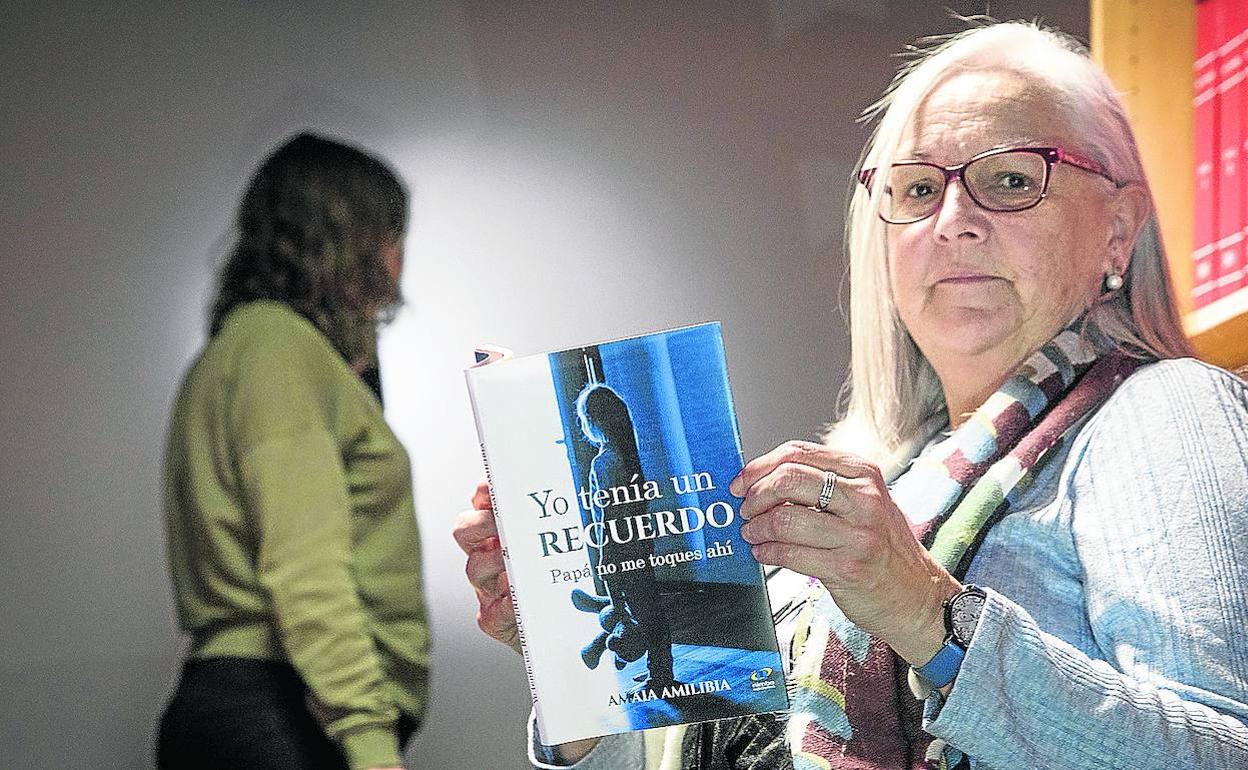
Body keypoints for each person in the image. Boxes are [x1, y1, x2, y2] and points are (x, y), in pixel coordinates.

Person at [453, 21, 1248, 769]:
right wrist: (572, 664)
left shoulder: (1162, 409)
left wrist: (928, 613)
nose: (953, 221)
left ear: (1118, 228)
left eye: (1010, 180)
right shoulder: (884, 479)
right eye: (918, 190)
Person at [158, 133, 429, 770]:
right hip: (281, 713)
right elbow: (306, 570)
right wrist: (372, 747)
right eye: (392, 235)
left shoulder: (261, 350)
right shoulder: (277, 350)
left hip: (276, 709)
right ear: (355, 242)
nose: (398, 261)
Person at [569, 383, 675, 691]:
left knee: (642, 612)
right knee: (647, 607)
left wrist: (605, 556)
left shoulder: (604, 462)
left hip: (619, 546)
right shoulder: (628, 454)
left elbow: (607, 516)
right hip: (639, 542)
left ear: (592, 422)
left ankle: (660, 678)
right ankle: (659, 670)